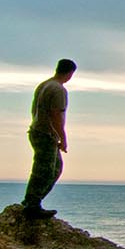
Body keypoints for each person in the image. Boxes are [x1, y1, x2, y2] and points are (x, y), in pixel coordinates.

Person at [23, 59, 76, 219]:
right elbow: (56, 115)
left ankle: (33, 202)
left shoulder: (44, 85)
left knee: (54, 168)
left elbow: (34, 110)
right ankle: (32, 204)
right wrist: (62, 137)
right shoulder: (58, 89)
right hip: (46, 134)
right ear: (70, 73)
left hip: (37, 131)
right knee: (45, 170)